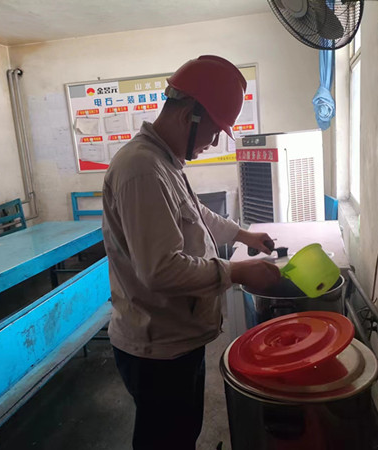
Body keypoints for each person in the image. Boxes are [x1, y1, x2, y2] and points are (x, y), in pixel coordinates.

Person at [101, 55, 281, 450]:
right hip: (158, 348)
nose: (212, 144)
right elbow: (161, 270)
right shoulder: (142, 169)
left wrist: (244, 236)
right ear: (189, 115)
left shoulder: (164, 163)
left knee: (181, 434)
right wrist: (237, 273)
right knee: (166, 440)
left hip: (177, 335)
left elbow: (196, 214)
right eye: (214, 133)